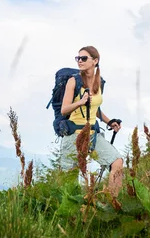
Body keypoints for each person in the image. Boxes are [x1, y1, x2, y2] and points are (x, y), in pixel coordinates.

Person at [59, 45, 123, 197]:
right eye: (78, 58)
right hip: (74, 134)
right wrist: (80, 102)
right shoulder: (73, 82)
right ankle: (71, 216)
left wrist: (109, 122)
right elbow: (64, 109)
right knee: (69, 182)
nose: (79, 61)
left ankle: (112, 202)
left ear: (95, 61)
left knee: (117, 162)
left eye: (83, 58)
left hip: (93, 134)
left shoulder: (99, 82)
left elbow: (95, 108)